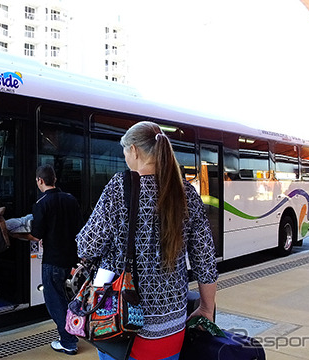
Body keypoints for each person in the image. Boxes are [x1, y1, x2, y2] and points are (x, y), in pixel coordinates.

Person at [76, 121, 218, 360]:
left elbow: (87, 245)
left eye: (124, 151)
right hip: (171, 326)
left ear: (134, 150)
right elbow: (205, 260)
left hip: (119, 322)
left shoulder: (118, 188)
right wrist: (206, 308)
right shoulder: (186, 193)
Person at [29, 164, 83, 355]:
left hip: (52, 261)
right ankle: (76, 330)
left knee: (55, 302)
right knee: (67, 299)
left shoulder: (41, 203)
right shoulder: (70, 200)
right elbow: (80, 228)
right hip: (71, 259)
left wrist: (16, 234)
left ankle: (68, 341)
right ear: (55, 180)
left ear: (40, 181)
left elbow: (36, 235)